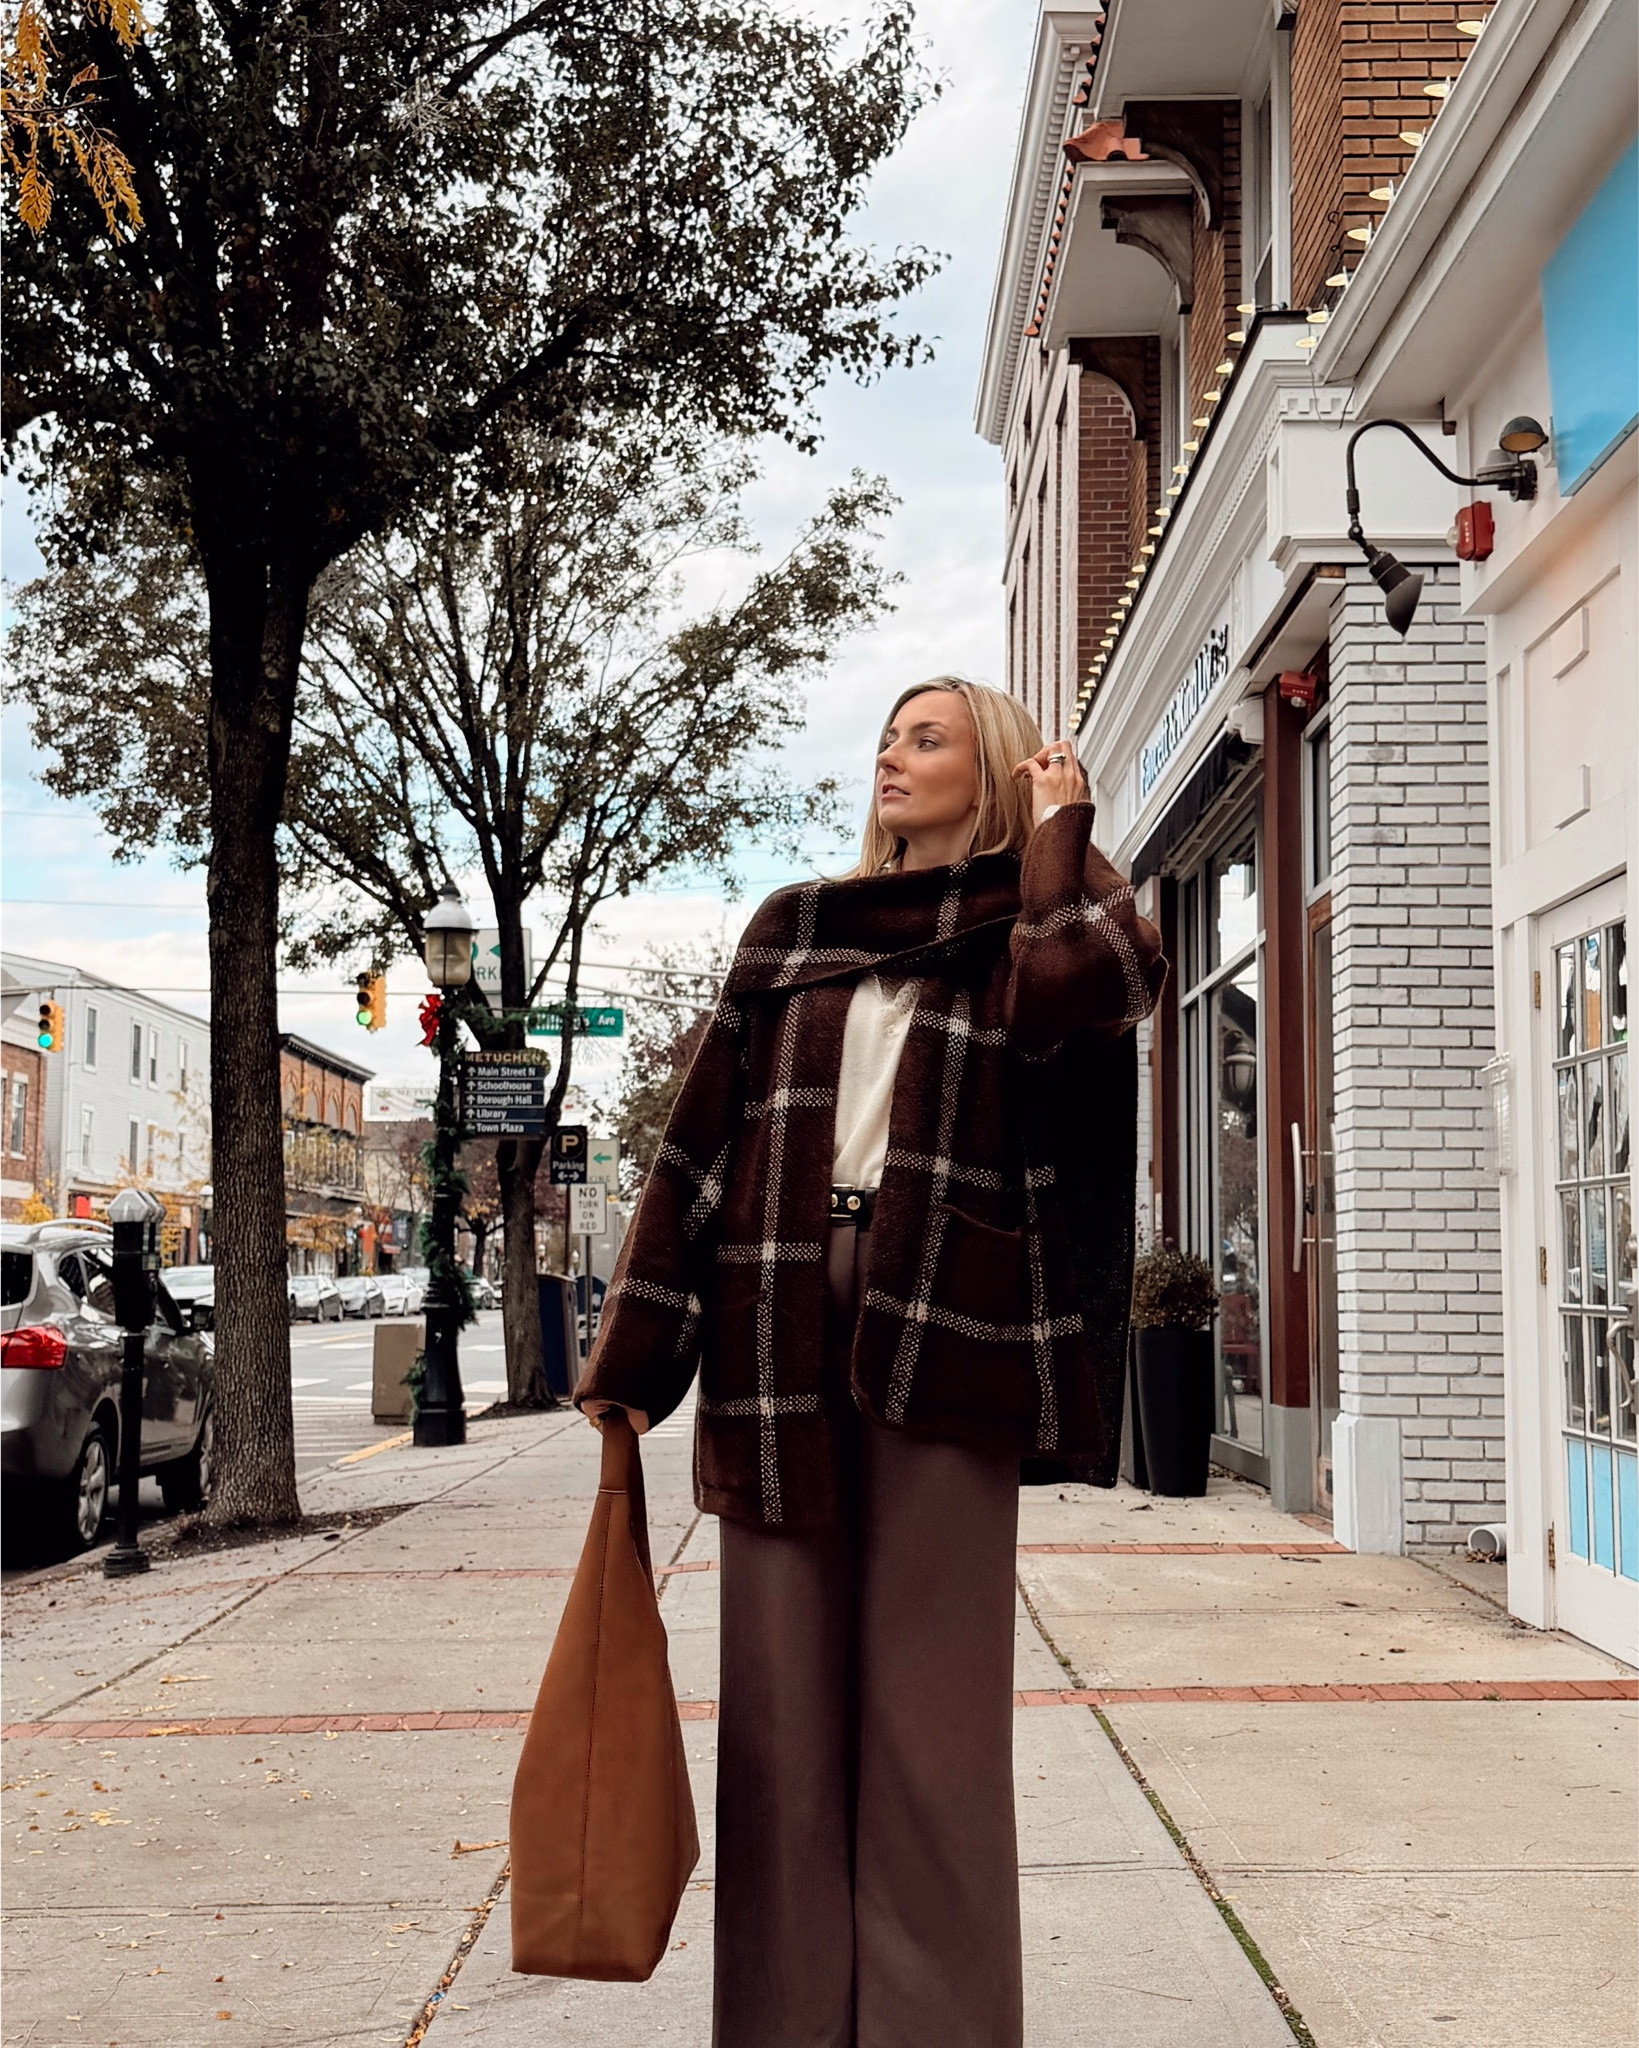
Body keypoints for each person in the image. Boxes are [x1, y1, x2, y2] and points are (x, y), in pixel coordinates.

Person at [577, 676, 1166, 2048]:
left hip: (951, 1327)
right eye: (890, 739)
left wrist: (1060, 835)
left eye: (929, 737)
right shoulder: (796, 928)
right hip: (777, 1324)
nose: (894, 757)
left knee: (934, 1733)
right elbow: (697, 1154)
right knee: (778, 1731)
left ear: (1000, 768)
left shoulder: (1030, 925)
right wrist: (637, 1356)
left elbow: (1095, 987)